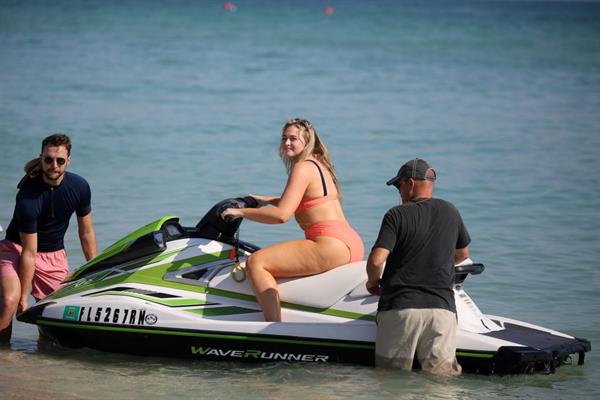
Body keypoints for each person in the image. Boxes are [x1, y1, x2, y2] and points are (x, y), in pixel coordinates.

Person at [222, 118, 364, 322]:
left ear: (306, 142)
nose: (287, 143)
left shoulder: (302, 167)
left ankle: (273, 327)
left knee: (257, 262)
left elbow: (281, 216)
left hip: (329, 244)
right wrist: (265, 200)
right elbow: (309, 201)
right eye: (284, 138)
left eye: (293, 139)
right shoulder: (320, 165)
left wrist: (240, 213)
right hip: (350, 242)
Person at [365, 158, 470, 375]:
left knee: (392, 384)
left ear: (410, 183)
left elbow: (376, 261)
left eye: (399, 185)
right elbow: (462, 254)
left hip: (401, 309)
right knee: (440, 387)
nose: (399, 191)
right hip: (441, 311)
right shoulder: (450, 211)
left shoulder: (397, 214)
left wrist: (373, 282)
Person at [0, 134, 97, 342]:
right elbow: (29, 252)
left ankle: (42, 358)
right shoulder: (28, 196)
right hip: (15, 250)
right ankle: (3, 357)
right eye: (48, 159)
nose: (54, 165)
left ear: (68, 160)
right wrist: (24, 297)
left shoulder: (80, 187)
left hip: (53, 256)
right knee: (10, 300)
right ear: (41, 157)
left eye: (60, 160)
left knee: (55, 315)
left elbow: (86, 233)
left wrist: (95, 268)